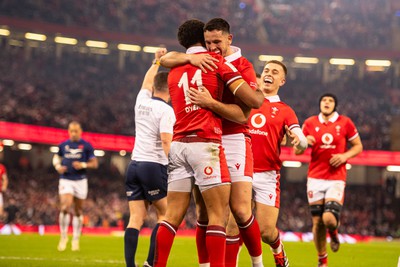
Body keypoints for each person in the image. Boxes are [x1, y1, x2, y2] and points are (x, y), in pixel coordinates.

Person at [154, 19, 263, 267]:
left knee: (172, 216)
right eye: (209, 42)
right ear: (203, 40)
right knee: (218, 215)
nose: (213, 46)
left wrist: (184, 58)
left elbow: (164, 59)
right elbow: (253, 104)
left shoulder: (174, 69)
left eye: (217, 41)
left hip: (179, 144)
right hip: (206, 143)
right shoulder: (217, 63)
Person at [249, 60, 308, 267]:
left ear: (281, 81)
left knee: (266, 231)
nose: (269, 74)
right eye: (266, 70)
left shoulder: (285, 111)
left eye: (275, 72)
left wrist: (299, 141)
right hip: (241, 170)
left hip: (267, 174)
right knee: (232, 226)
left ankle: (278, 250)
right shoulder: (246, 101)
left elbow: (302, 142)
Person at [296, 93, 363, 267]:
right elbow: (297, 149)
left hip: (336, 177)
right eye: (324, 100)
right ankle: (322, 260)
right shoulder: (310, 123)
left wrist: (344, 156)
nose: (326, 103)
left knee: (328, 219)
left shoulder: (345, 122)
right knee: (317, 222)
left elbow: (358, 146)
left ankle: (333, 233)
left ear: (335, 105)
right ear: (320, 104)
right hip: (315, 177)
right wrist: (304, 142)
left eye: (330, 100)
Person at [124, 48, 175, 267]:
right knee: (165, 216)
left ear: (154, 87)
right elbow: (166, 141)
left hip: (134, 165)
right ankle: (150, 262)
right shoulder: (166, 110)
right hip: (154, 166)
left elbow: (146, 82)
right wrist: (173, 166)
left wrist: (156, 62)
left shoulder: (141, 101)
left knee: (136, 218)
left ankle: (130, 265)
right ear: (171, 90)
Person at [53, 121, 98, 251]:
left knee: (78, 211)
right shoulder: (63, 145)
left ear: (80, 131)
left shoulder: (87, 146)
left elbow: (94, 163)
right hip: (66, 179)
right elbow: (56, 157)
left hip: (81, 181)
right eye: (71, 131)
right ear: (68, 131)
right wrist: (58, 167)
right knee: (65, 207)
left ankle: (76, 238)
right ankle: (63, 236)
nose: (73, 133)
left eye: (76, 131)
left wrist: (83, 165)